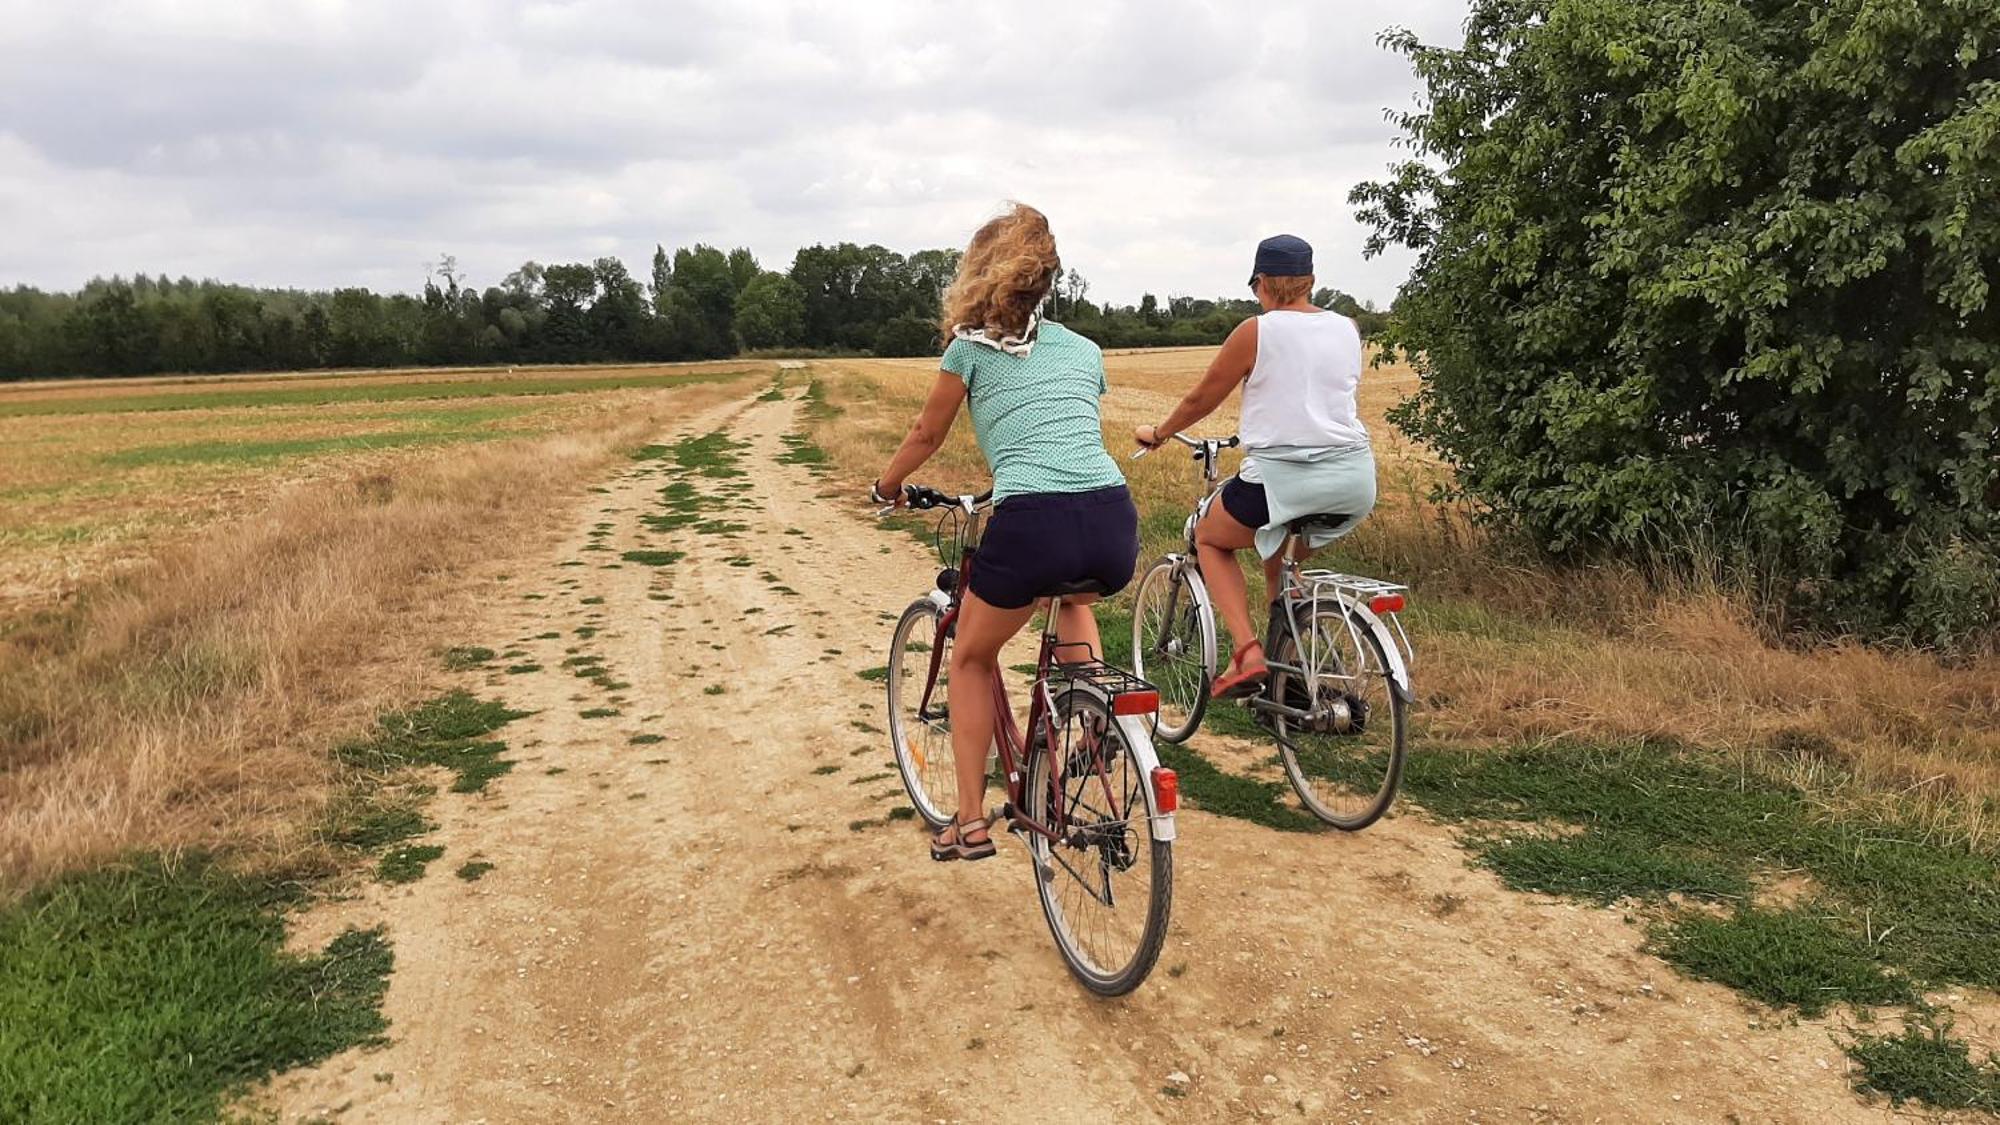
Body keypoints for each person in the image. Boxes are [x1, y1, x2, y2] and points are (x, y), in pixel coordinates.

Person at [873, 203, 1139, 862]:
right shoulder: (1084, 348)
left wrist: (886, 485)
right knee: (1070, 595)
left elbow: (927, 433)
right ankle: (1094, 708)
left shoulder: (969, 348)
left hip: (1034, 523)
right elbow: (1064, 426)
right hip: (1110, 516)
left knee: (969, 655)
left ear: (980, 275)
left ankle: (967, 822)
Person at [1134, 233, 1377, 698]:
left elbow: (1203, 397)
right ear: (1310, 281)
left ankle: (1246, 652)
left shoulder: (1257, 330)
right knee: (1278, 562)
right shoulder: (1347, 327)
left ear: (1261, 283)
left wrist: (1161, 434)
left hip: (1284, 479)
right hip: (1354, 479)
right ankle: (1289, 679)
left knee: (1208, 536)